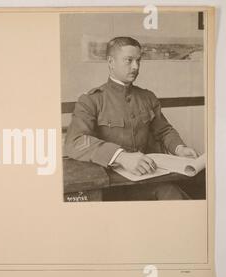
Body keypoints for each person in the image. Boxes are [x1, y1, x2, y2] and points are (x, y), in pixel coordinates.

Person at [64, 36, 198, 200]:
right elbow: (75, 141)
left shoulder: (147, 97)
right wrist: (120, 156)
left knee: (175, 197)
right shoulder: (91, 100)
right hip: (111, 185)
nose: (135, 67)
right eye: (129, 60)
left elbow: (163, 130)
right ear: (111, 62)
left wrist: (180, 148)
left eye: (138, 60)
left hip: (148, 179)